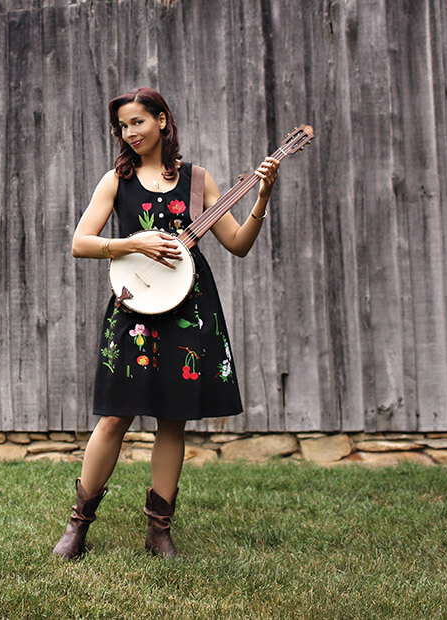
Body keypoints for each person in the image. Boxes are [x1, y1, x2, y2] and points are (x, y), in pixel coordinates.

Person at [54, 87, 280, 560]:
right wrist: (133, 244)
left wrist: (261, 198)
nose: (129, 132)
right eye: (122, 126)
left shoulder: (199, 181)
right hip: (135, 308)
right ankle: (78, 525)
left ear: (161, 120)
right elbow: (81, 242)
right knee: (115, 414)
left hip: (189, 308)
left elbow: (238, 243)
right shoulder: (116, 180)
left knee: (172, 419)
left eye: (137, 121)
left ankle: (159, 530)